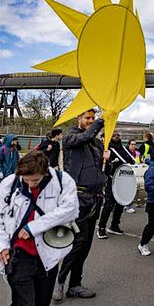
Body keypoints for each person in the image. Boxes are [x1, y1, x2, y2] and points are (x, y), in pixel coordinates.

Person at [0, 151, 79, 306]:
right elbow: (1, 216)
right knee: (24, 302)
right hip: (18, 255)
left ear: (45, 171)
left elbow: (70, 210)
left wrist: (34, 227)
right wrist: (2, 245)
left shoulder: (62, 181)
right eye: (26, 180)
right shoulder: (9, 183)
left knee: (42, 302)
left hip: (47, 255)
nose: (30, 184)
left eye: (35, 180)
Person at [53, 109, 109, 302]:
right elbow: (85, 136)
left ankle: (75, 284)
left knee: (85, 246)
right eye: (88, 118)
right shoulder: (70, 137)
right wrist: (101, 122)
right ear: (78, 118)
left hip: (95, 198)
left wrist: (105, 160)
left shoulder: (96, 143)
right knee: (77, 243)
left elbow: (98, 168)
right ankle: (59, 281)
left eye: (93, 118)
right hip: (78, 199)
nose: (90, 121)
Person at [97, 131, 135, 239]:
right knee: (109, 204)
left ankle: (114, 225)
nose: (117, 136)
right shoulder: (106, 149)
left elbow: (130, 162)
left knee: (121, 203)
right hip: (112, 180)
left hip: (122, 180)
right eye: (114, 135)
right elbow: (103, 168)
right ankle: (101, 228)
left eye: (118, 135)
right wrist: (107, 160)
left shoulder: (123, 148)